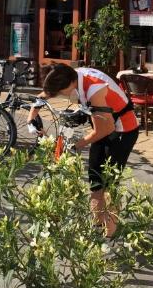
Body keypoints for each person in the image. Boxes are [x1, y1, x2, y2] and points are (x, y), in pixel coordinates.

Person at [31, 63, 140, 235]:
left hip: (122, 131)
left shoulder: (94, 89)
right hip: (103, 127)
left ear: (70, 84)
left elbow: (105, 129)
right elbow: (45, 94)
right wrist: (32, 117)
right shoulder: (70, 75)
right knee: (95, 176)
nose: (61, 96)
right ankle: (97, 225)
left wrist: (75, 145)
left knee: (110, 181)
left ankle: (110, 232)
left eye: (62, 93)